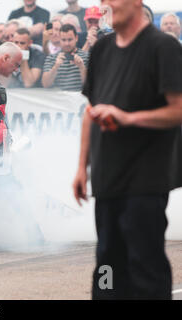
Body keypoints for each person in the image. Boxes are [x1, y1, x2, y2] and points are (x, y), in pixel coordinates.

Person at [72, 0, 182, 300]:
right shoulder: (101, 50)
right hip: (107, 180)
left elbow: (178, 110)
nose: (105, 4)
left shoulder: (163, 47)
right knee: (107, 267)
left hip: (145, 181)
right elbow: (90, 111)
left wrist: (127, 117)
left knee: (145, 267)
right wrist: (82, 167)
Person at [42, 24, 88, 91]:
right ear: (59, 39)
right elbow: (45, 84)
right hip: (59, 99)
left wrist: (82, 67)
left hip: (80, 99)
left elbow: (91, 85)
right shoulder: (51, 58)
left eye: (70, 40)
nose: (67, 43)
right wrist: (55, 67)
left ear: (76, 38)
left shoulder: (86, 56)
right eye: (63, 40)